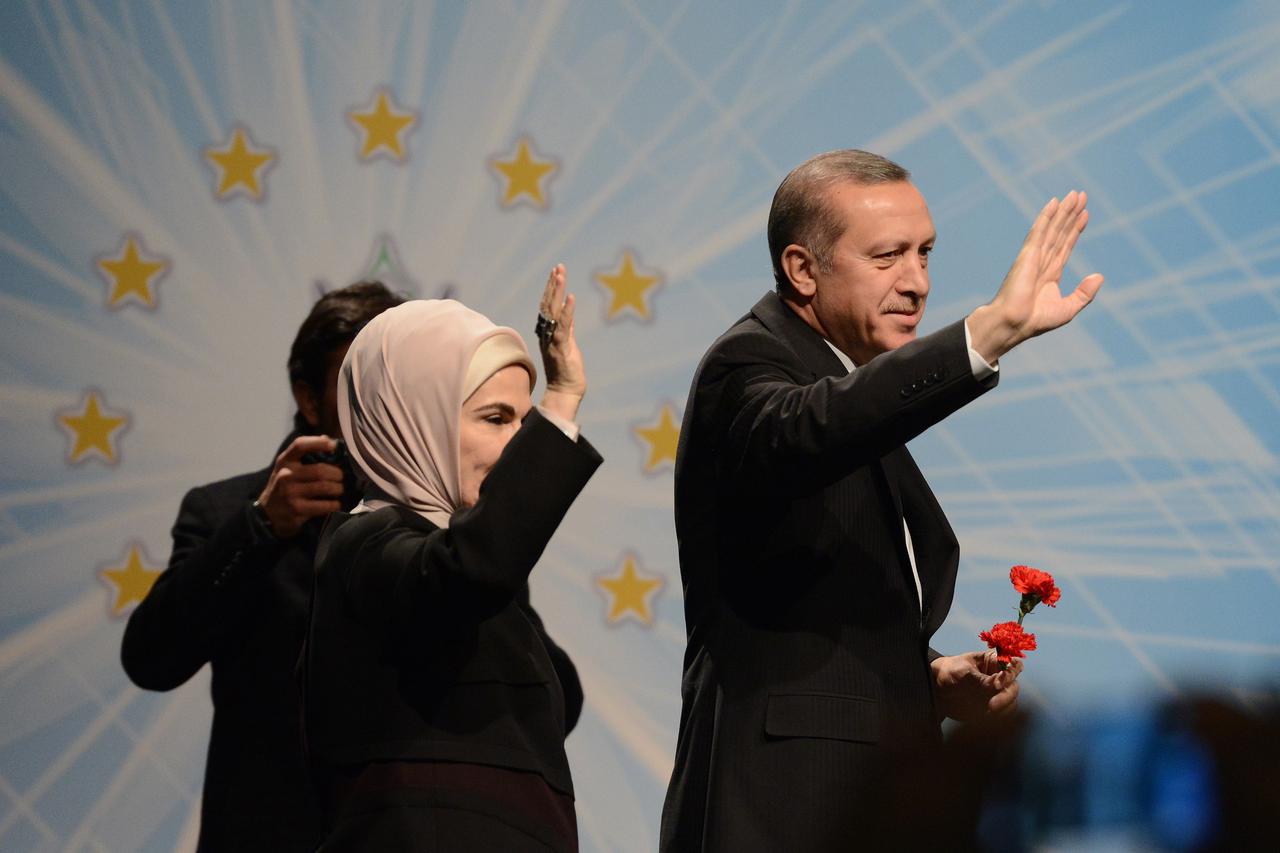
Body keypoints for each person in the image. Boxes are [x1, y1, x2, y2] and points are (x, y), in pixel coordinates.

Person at [659, 150, 1104, 851]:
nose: (917, 282)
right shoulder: (747, 363)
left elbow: (814, 609)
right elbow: (807, 430)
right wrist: (988, 332)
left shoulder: (839, 384)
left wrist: (928, 680)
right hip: (787, 807)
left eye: (924, 252)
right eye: (887, 256)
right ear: (803, 269)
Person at [302, 265, 600, 852]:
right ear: (413, 419)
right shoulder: (364, 544)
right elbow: (465, 574)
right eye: (496, 418)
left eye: (525, 421)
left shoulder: (478, 575)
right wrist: (560, 403)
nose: (517, 445)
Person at [120, 282, 408, 852]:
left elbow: (551, 700)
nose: (385, 402)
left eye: (399, 381)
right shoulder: (226, 513)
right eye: (359, 382)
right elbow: (151, 658)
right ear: (308, 399)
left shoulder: (445, 522)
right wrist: (259, 528)